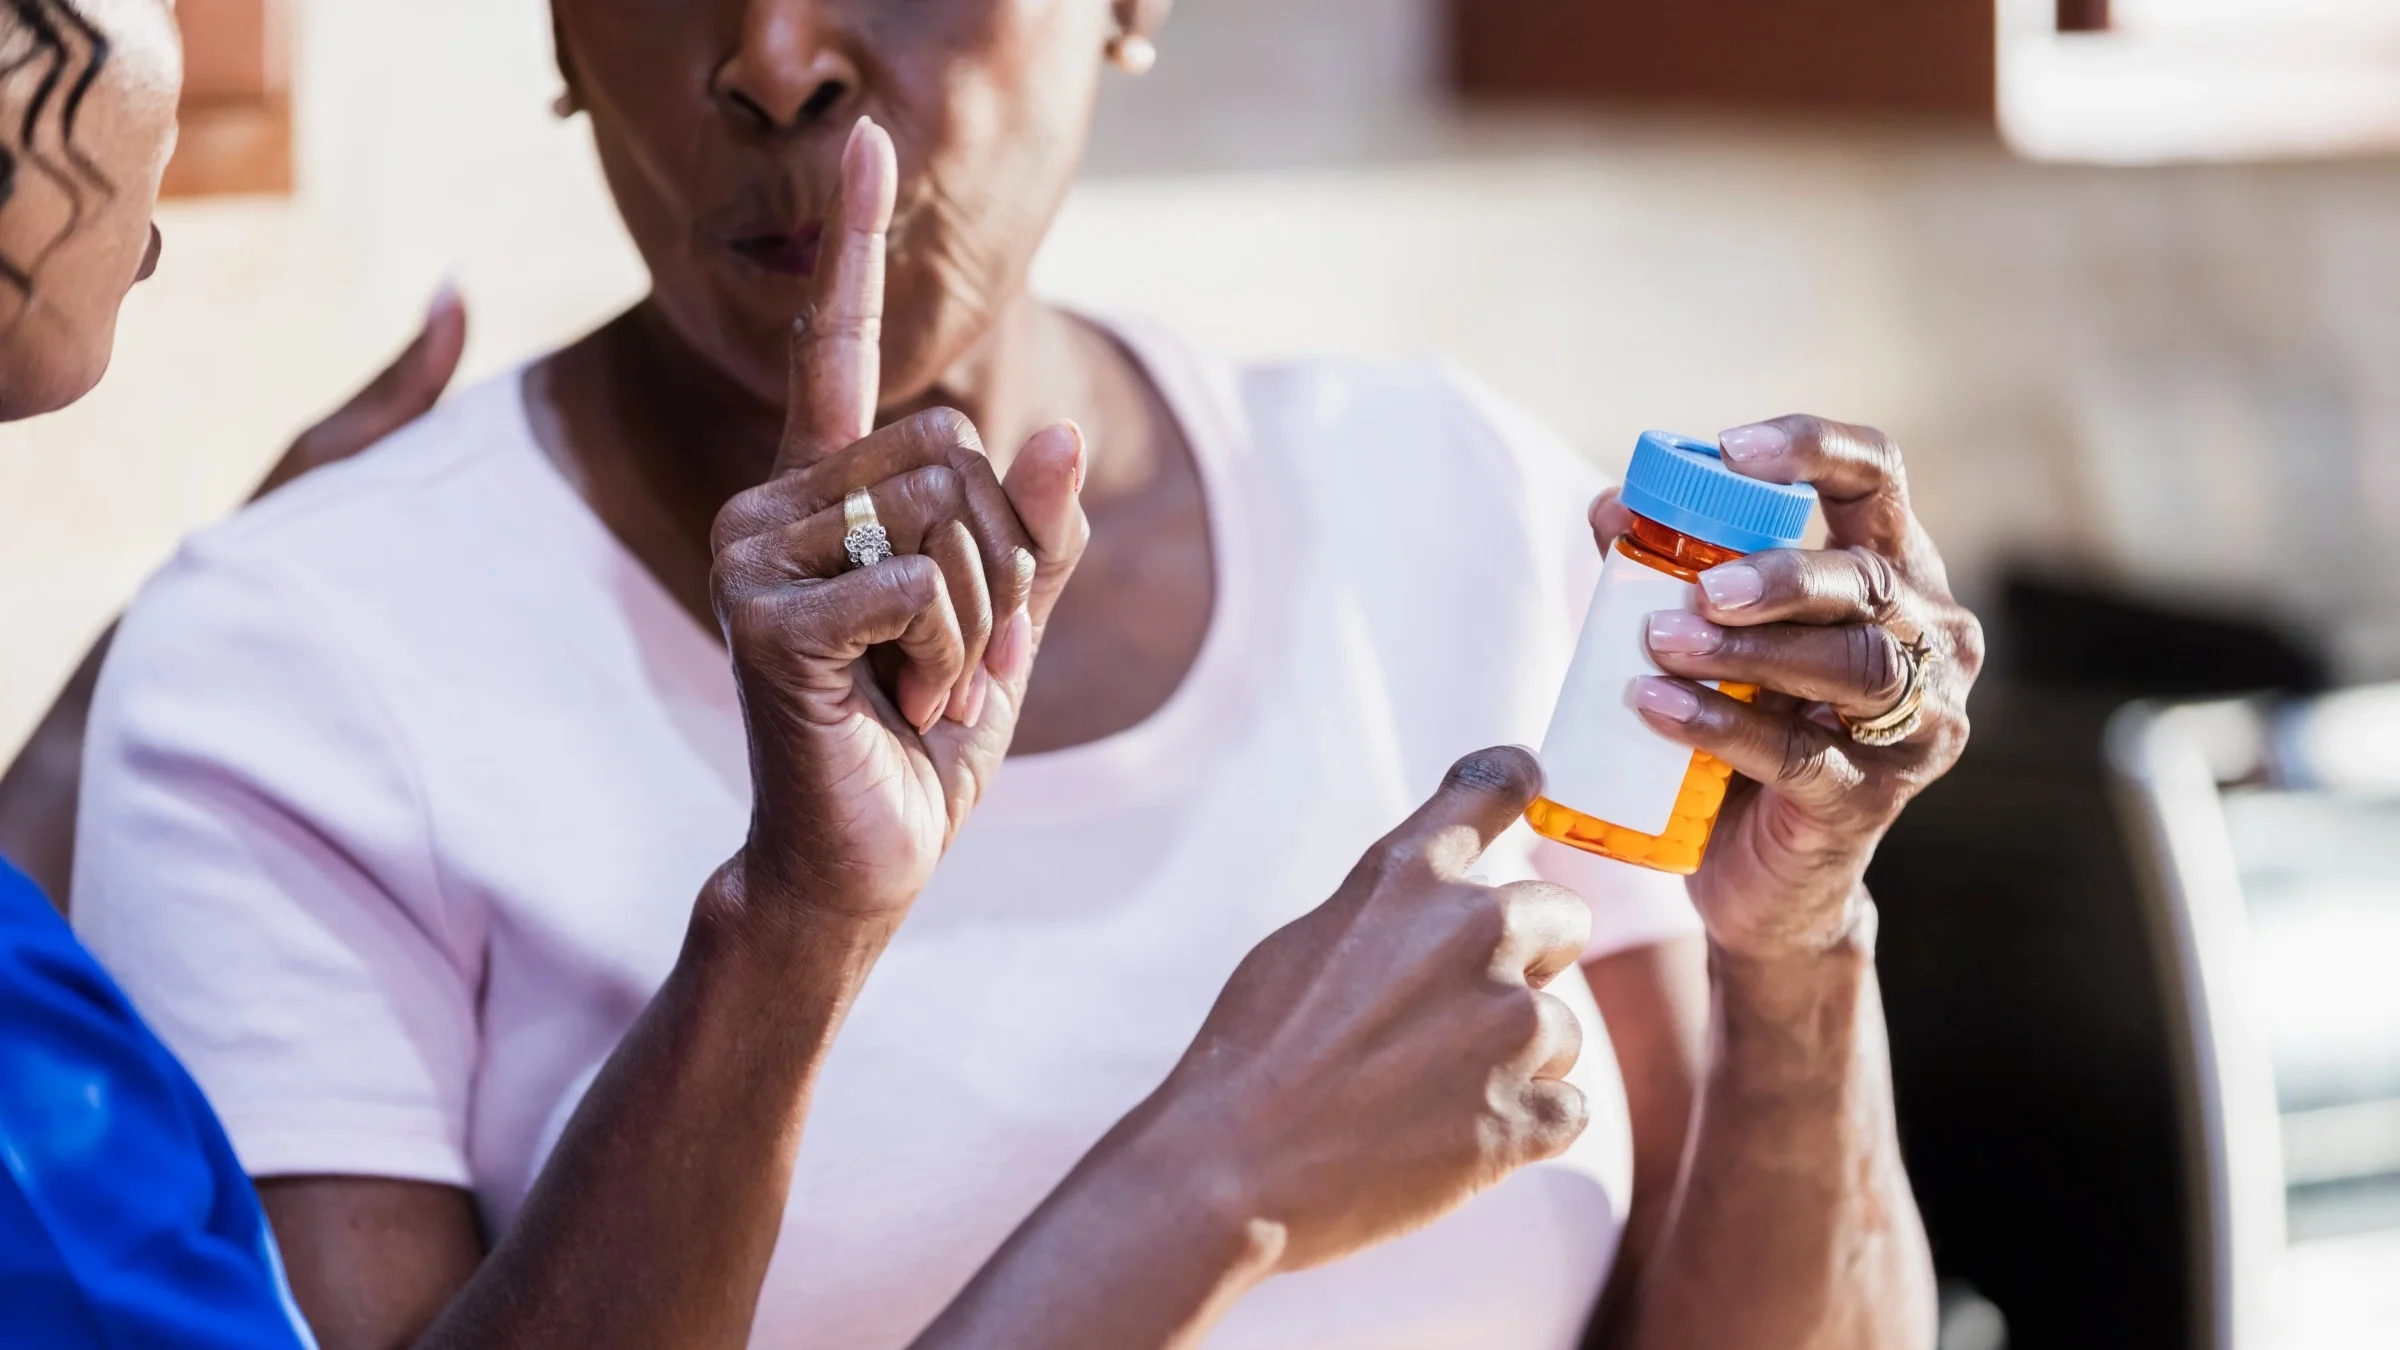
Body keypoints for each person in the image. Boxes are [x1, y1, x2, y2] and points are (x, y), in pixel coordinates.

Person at [70, 5, 1982, 1350]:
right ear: (559, 37)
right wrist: (1199, 1170)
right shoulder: (293, 670)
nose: (775, 48)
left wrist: (1798, 953)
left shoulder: (1454, 505)